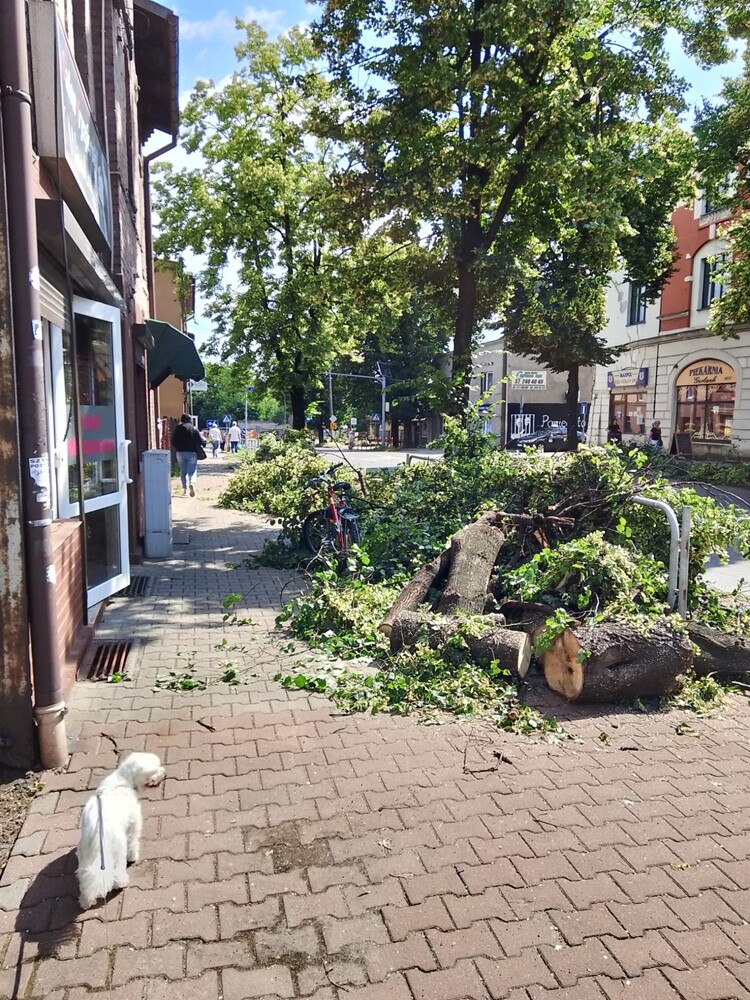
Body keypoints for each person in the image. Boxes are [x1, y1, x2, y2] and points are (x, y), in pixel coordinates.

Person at [171, 414, 203, 496]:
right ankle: (192, 483)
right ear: (190, 420)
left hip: (180, 453)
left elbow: (173, 441)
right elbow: (200, 441)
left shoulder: (178, 428)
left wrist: (178, 448)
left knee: (183, 471)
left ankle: (184, 489)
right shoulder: (193, 429)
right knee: (192, 471)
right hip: (192, 453)